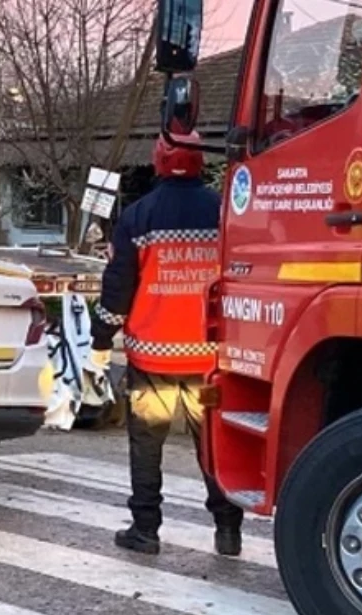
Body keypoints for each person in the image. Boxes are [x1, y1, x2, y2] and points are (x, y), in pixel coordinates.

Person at [90, 132, 244, 557]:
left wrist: (100, 337)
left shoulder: (139, 217)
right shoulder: (224, 213)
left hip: (153, 358)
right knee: (212, 447)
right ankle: (228, 530)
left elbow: (118, 289)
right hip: (210, 359)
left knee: (147, 446)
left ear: (158, 163)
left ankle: (146, 530)